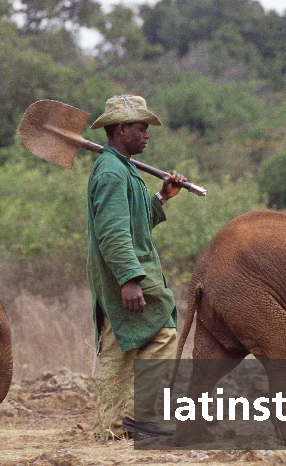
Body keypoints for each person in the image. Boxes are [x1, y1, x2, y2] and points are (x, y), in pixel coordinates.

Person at [86, 95, 188, 440]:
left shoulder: (121, 168)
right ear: (122, 129)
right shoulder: (112, 172)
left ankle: (113, 428)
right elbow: (113, 233)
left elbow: (135, 223)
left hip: (124, 276)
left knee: (121, 348)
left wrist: (161, 197)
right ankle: (134, 423)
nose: (147, 134)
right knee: (162, 334)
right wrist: (130, 279)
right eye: (141, 127)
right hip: (128, 276)